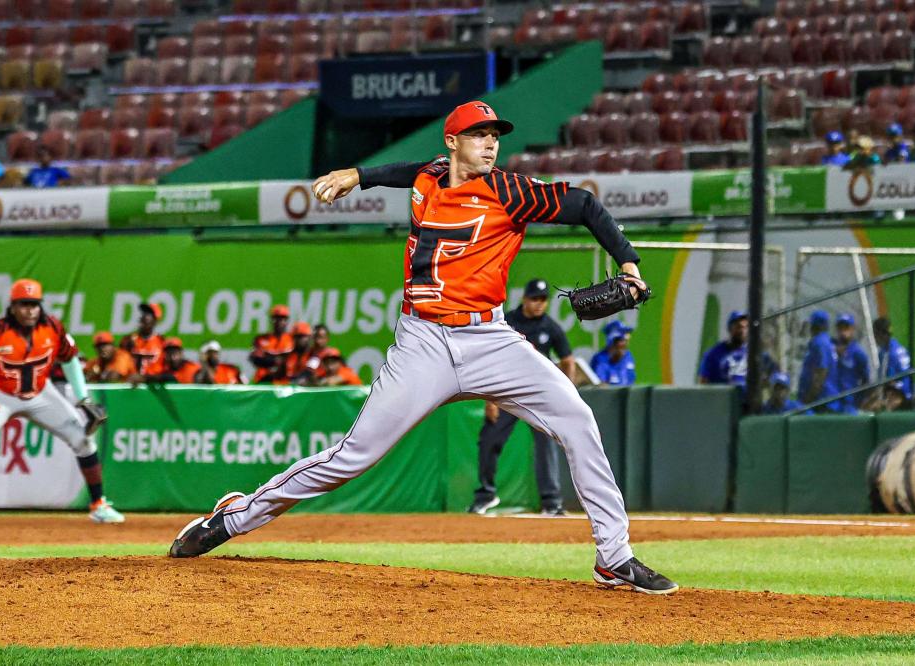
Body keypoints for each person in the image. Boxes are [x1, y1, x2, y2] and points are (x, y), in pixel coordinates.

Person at [169, 100, 677, 594]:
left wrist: (629, 264)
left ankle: (613, 557)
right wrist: (359, 174)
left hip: (490, 340)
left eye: (495, 137)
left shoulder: (512, 191)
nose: (490, 145)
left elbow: (585, 205)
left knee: (577, 419)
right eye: (480, 136)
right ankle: (232, 519)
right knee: (353, 457)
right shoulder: (430, 175)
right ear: (453, 143)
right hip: (423, 343)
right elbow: (411, 169)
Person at [0, 279, 123, 525]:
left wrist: (83, 398)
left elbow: (69, 360)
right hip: (0, 392)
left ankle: (98, 505)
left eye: (34, 304)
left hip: (40, 393)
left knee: (82, 439)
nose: (30, 310)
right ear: (13, 307)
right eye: (24, 304)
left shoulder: (53, 328)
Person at [468, 278, 575, 517]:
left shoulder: (551, 327)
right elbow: (490, 359)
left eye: (543, 299)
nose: (538, 304)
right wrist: (489, 398)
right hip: (509, 392)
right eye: (534, 299)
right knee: (489, 440)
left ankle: (551, 502)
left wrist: (564, 391)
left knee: (546, 446)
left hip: (538, 396)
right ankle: (485, 495)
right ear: (525, 298)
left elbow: (568, 361)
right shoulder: (509, 322)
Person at [798, 310, 841, 412]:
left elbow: (821, 373)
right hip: (824, 399)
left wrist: (809, 400)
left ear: (814, 325)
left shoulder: (819, 342)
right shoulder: (826, 341)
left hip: (821, 401)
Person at [698, 311, 749, 390]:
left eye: (745, 327)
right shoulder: (713, 354)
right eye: (739, 326)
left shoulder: (750, 353)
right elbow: (703, 385)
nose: (742, 331)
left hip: (746, 400)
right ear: (730, 328)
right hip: (722, 400)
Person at [834, 313, 869, 414]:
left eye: (846, 327)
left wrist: (859, 401)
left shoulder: (858, 353)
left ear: (852, 329)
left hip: (849, 403)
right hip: (832, 401)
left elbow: (866, 380)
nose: (843, 331)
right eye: (840, 327)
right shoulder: (831, 348)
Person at [250, 305, 293, 383]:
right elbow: (255, 359)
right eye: (276, 318)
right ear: (271, 320)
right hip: (263, 381)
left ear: (287, 321)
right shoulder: (261, 339)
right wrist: (276, 361)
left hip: (284, 383)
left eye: (282, 319)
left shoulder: (292, 340)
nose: (279, 322)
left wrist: (269, 357)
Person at [120, 302, 166, 375]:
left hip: (152, 383)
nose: (144, 316)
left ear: (155, 321)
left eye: (148, 314)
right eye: (143, 313)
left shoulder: (161, 342)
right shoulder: (129, 340)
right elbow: (121, 363)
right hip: (131, 383)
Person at [872, 317, 912, 401]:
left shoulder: (894, 353)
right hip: (890, 393)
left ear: (881, 334)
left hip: (901, 396)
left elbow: (905, 379)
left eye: (875, 334)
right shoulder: (883, 352)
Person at [134, 338, 201, 384]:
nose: (172, 358)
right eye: (169, 354)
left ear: (181, 353)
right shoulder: (163, 370)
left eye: (175, 353)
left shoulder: (194, 369)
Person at [590, 320, 636, 386]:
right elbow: (601, 387)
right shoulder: (600, 360)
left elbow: (631, 382)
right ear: (611, 342)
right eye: (621, 340)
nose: (625, 344)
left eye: (626, 340)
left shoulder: (628, 356)